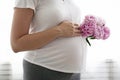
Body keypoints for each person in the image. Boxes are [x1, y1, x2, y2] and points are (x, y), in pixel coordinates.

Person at [10, 0, 87, 80]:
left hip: (74, 72)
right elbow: (16, 44)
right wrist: (59, 30)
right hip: (44, 69)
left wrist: (90, 29)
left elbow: (70, 29)